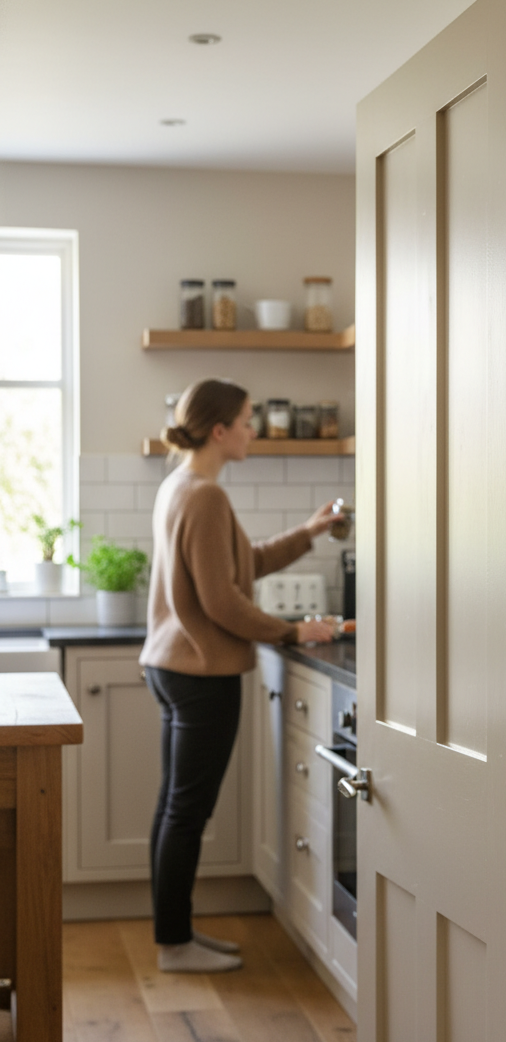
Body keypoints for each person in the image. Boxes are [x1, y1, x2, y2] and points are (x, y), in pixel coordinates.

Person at [139, 377, 336, 973]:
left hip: (174, 665)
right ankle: (174, 944)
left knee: (176, 807)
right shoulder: (203, 496)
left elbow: (243, 564)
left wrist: (309, 530)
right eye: (249, 421)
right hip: (201, 672)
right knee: (186, 812)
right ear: (220, 430)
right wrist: (291, 631)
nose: (256, 430)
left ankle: (175, 934)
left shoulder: (183, 487)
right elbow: (223, 600)